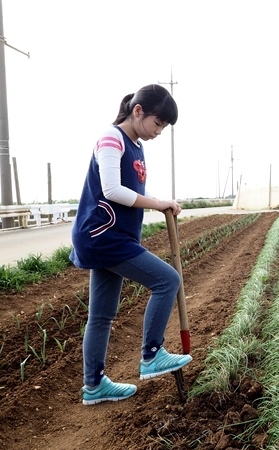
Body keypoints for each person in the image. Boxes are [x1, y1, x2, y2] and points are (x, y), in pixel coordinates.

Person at [70, 84, 191, 405]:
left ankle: (93, 387)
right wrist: (157, 202)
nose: (159, 131)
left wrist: (159, 203)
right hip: (102, 236)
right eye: (158, 124)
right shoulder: (111, 139)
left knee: (101, 316)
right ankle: (152, 355)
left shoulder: (136, 145)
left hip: (112, 237)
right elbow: (112, 190)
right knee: (168, 280)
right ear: (138, 112)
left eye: (164, 127)